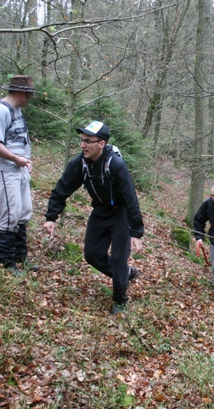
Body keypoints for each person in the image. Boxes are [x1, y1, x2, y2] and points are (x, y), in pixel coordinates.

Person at [43, 121, 144, 314]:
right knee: (91, 255)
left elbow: (131, 198)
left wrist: (136, 232)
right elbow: (62, 188)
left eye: (88, 141)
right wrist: (51, 216)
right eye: (82, 140)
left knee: (118, 259)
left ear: (102, 143)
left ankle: (120, 301)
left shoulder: (115, 165)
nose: (83, 145)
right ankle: (126, 274)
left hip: (120, 214)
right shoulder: (80, 164)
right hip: (99, 212)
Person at [0, 75, 38, 276]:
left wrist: (21, 161)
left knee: (24, 211)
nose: (29, 99)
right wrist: (16, 159)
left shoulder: (16, 111)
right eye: (29, 95)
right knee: (11, 213)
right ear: (22, 93)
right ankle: (7, 262)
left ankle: (21, 257)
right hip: (4, 168)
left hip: (18, 168)